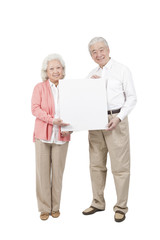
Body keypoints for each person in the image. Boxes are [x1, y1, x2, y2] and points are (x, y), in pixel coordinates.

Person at [82, 37, 137, 222]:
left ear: (108, 49)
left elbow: (132, 98)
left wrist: (119, 118)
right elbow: (83, 101)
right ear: (91, 55)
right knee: (96, 164)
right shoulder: (90, 74)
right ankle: (98, 202)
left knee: (120, 167)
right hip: (95, 121)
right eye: (94, 52)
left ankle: (121, 206)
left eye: (101, 49)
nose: (98, 54)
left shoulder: (122, 70)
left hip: (116, 119)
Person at [31, 54, 71, 220]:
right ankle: (44, 208)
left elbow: (76, 111)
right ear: (46, 71)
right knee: (42, 173)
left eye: (58, 68)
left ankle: (56, 207)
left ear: (63, 70)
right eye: (52, 68)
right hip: (43, 136)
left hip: (62, 136)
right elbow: (35, 109)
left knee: (58, 174)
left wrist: (71, 129)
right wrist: (52, 120)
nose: (56, 71)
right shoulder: (39, 87)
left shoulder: (69, 88)